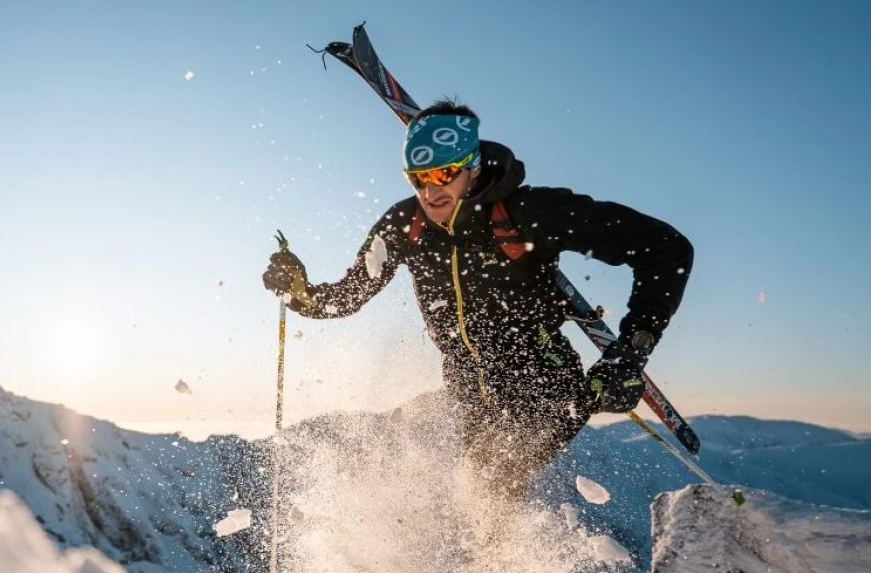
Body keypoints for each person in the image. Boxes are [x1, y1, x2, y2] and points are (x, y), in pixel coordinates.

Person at [263, 98, 693, 501]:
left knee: (493, 486)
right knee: (479, 508)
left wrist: (633, 349)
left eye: (443, 174)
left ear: (471, 166)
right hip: (472, 390)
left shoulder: (529, 212)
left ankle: (521, 563)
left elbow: (665, 248)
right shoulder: (404, 225)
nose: (430, 192)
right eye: (418, 179)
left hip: (543, 383)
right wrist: (300, 294)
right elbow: (350, 295)